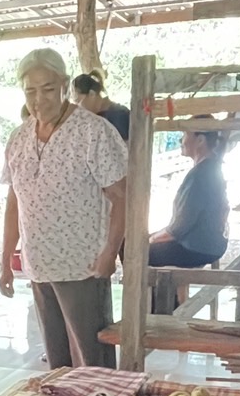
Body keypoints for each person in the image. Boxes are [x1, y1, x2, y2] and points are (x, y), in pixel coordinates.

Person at [0, 49, 127, 369]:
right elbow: (14, 201)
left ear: (64, 85)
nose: (38, 99)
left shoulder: (93, 132)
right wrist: (5, 261)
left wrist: (110, 252)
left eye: (47, 88)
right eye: (30, 90)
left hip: (83, 264)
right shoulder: (18, 138)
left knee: (92, 356)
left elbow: (123, 198)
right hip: (39, 264)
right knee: (57, 360)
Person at [149, 122, 230, 314]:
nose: (181, 140)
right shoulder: (210, 169)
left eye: (185, 135)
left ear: (200, 140)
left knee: (140, 252)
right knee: (147, 242)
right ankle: (177, 297)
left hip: (199, 246)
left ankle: (161, 314)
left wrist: (151, 239)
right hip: (210, 242)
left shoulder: (201, 175)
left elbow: (179, 227)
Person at [71, 72, 131, 141]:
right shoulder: (94, 118)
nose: (77, 107)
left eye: (78, 101)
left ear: (92, 94)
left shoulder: (119, 116)